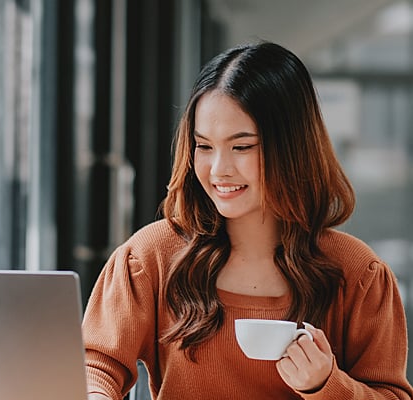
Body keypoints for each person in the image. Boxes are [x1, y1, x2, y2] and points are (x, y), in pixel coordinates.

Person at [82, 41, 413, 399]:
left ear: (292, 148)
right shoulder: (150, 257)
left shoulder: (359, 275)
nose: (219, 170)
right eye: (204, 146)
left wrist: (325, 385)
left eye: (241, 147)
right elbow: (95, 365)